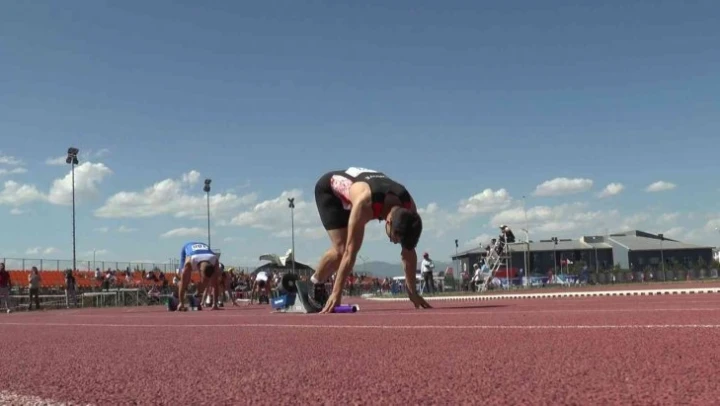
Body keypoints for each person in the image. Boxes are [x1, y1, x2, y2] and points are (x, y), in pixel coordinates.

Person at [310, 167, 431, 313]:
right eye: (394, 238)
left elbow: (408, 252)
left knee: (344, 249)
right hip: (330, 191)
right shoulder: (365, 204)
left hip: (368, 188)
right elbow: (350, 253)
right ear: (388, 222)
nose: (393, 242)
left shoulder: (409, 207)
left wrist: (412, 291)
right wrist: (336, 293)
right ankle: (315, 283)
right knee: (341, 250)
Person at [176, 242, 221, 312]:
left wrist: (215, 304)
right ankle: (180, 301)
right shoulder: (190, 261)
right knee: (184, 281)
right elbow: (183, 282)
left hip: (204, 250)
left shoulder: (215, 260)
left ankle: (197, 295)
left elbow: (215, 284)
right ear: (200, 271)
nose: (207, 281)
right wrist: (181, 303)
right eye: (205, 278)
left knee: (214, 281)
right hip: (188, 248)